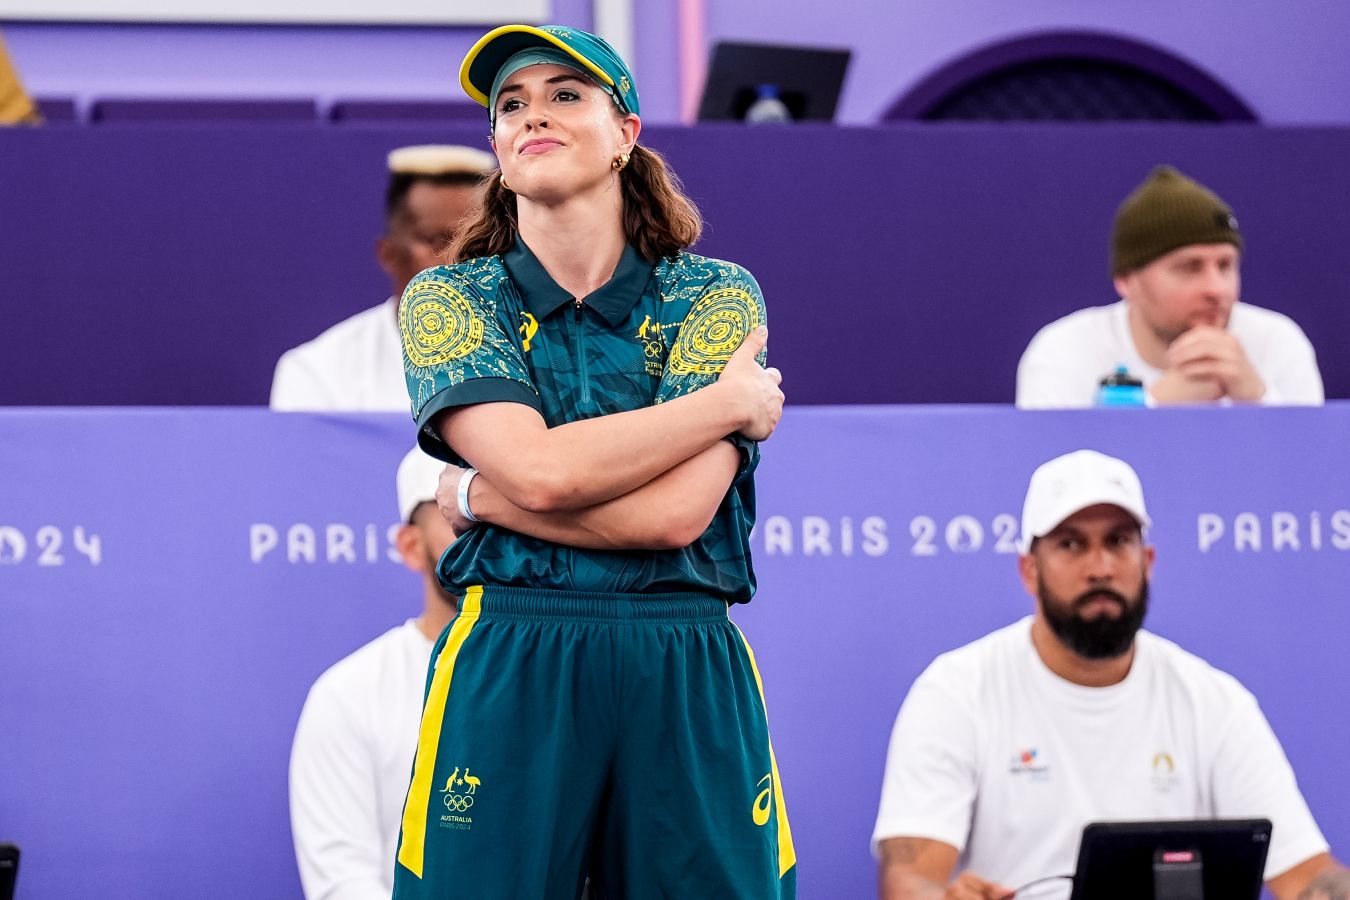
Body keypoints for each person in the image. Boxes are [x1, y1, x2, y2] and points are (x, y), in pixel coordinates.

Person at [389, 23, 794, 900]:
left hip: (684, 652)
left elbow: (674, 517)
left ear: (626, 134)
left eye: (566, 95)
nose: (533, 115)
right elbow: (540, 473)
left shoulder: (715, 292)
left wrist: (479, 496)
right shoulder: (448, 297)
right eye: (511, 105)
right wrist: (725, 405)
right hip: (512, 648)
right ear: (498, 151)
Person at [872, 449, 1350, 900]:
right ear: (1029, 570)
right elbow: (910, 878)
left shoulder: (1213, 701)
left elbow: (1308, 876)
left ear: (1148, 562)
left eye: (1118, 541)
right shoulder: (956, 692)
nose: (1100, 567)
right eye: (1071, 544)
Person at [288, 447, 458, 900]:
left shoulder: (569, 675)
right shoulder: (349, 694)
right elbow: (342, 880)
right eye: (458, 518)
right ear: (411, 546)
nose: (487, 541)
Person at [1016, 166, 1324, 408]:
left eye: (1225, 265)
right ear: (1127, 280)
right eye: (1189, 268)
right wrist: (1155, 404)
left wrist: (1257, 398)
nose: (1216, 289)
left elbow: (1315, 460)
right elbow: (1053, 464)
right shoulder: (1065, 351)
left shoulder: (1278, 342)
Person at [270, 144, 494, 411]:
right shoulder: (319, 372)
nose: (457, 257)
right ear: (389, 254)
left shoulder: (534, 355)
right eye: (436, 240)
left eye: (475, 240)